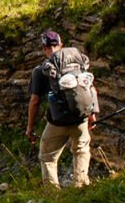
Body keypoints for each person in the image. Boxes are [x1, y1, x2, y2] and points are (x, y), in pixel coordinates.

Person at [26, 31, 97, 187]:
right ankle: (81, 186)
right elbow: (90, 88)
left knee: (48, 157)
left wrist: (30, 128)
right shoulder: (78, 63)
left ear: (43, 48)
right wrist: (92, 114)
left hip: (57, 122)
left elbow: (35, 101)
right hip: (81, 118)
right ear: (61, 44)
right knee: (81, 150)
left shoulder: (41, 70)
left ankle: (53, 194)